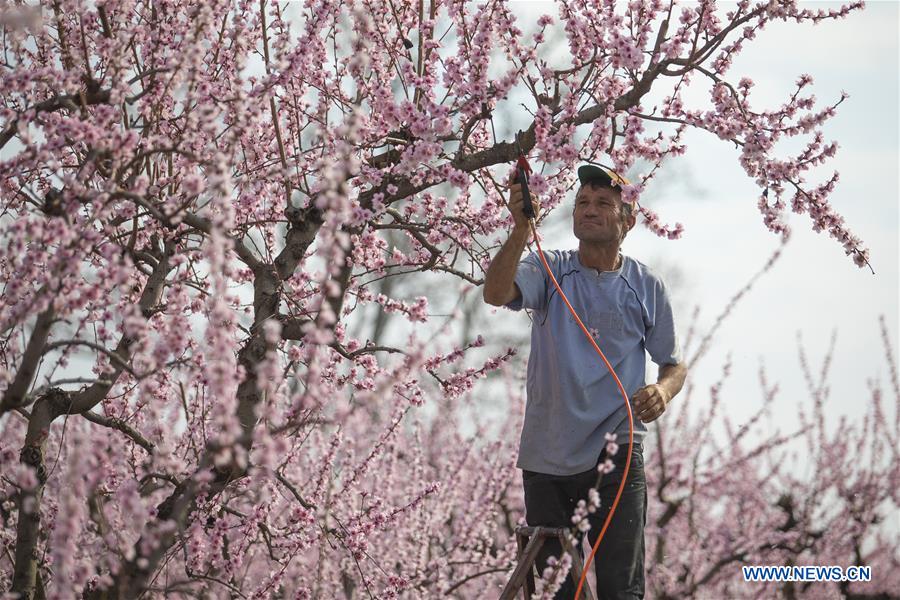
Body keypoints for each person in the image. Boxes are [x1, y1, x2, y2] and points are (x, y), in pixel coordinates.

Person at [482, 165, 688, 600]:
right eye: (582, 203)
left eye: (603, 204)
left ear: (628, 220)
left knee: (620, 587)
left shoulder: (645, 286)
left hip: (616, 451)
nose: (589, 211)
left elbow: (673, 365)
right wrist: (521, 228)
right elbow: (496, 293)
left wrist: (663, 390)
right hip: (546, 453)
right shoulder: (549, 269)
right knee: (556, 590)